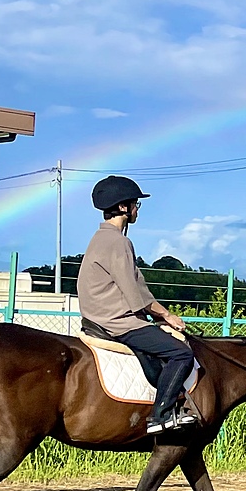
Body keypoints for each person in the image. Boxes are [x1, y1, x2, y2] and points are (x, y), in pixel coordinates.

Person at [79, 176, 199, 434]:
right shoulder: (119, 242)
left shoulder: (99, 238)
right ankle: (162, 415)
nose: (136, 210)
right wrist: (167, 316)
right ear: (123, 208)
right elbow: (135, 293)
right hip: (118, 322)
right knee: (181, 353)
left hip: (98, 318)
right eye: (135, 204)